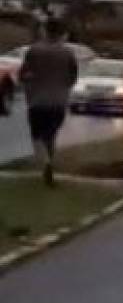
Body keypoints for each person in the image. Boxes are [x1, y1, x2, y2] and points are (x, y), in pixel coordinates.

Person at [19, 19, 78, 187]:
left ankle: (45, 163)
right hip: (59, 102)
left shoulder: (34, 51)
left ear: (45, 31)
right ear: (62, 34)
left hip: (37, 101)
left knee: (37, 136)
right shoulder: (68, 53)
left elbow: (23, 75)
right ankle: (49, 163)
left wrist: (30, 86)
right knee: (50, 135)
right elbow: (72, 77)